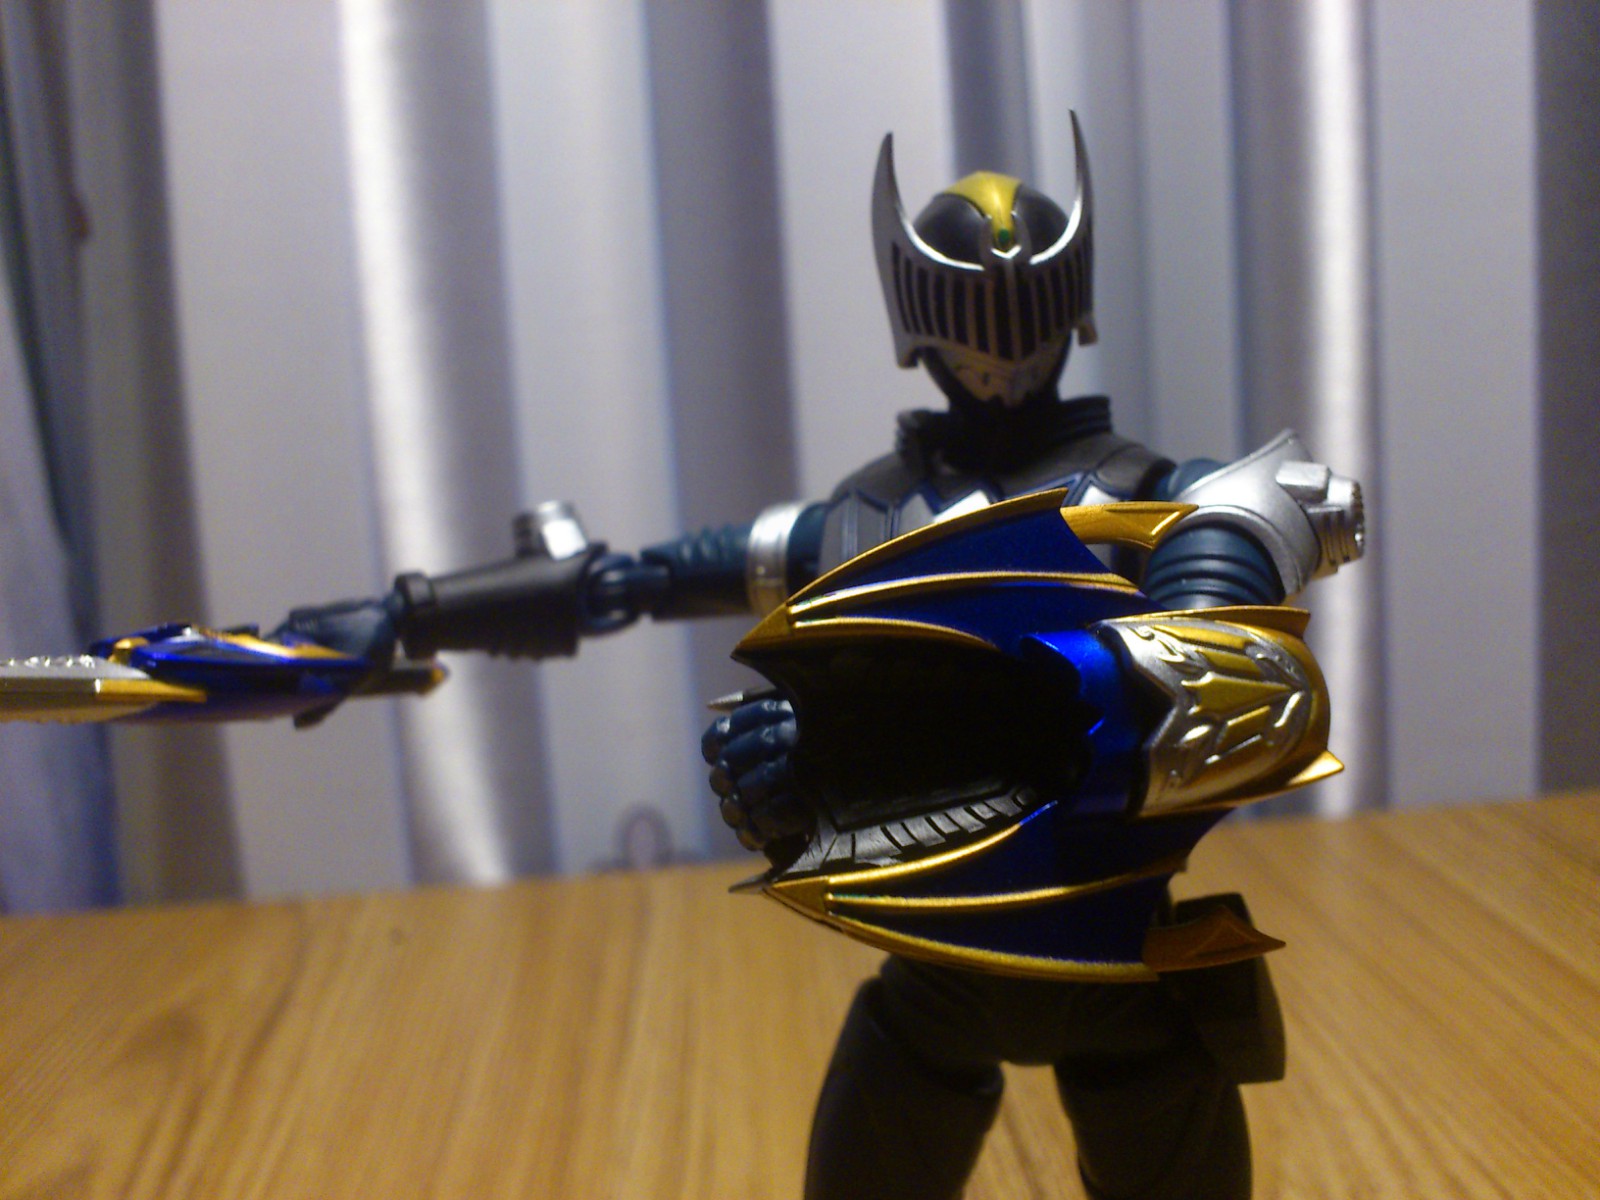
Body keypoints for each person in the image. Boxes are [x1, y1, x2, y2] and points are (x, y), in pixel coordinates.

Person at [280, 115, 1364, 1199]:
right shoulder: (865, 522)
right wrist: (409, 614)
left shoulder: (1162, 500)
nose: (999, 332)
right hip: (943, 974)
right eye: (971, 300)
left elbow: (1202, 684)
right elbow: (625, 582)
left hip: (1114, 956)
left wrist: (848, 747)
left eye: (1022, 296)